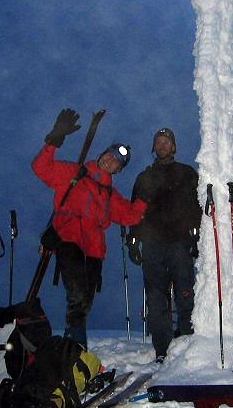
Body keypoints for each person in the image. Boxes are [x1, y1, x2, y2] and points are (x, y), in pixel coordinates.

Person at [32, 108, 148, 348]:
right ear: (102, 154)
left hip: (95, 252)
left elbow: (130, 215)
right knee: (76, 296)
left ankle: (71, 343)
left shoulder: (109, 194)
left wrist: (147, 195)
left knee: (84, 302)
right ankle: (77, 346)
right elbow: (41, 168)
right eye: (109, 155)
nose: (110, 160)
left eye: (117, 161)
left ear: (118, 170)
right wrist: (55, 138)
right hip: (68, 239)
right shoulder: (75, 173)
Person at [127, 128, 201, 363]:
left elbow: (198, 207)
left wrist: (198, 237)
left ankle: (189, 342)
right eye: (158, 141)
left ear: (174, 146)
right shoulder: (144, 178)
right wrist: (133, 240)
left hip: (180, 242)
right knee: (156, 298)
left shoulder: (187, 173)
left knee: (185, 294)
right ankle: (162, 349)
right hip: (152, 244)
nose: (162, 145)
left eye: (166, 141)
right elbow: (134, 211)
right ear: (154, 147)